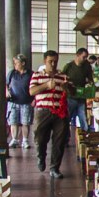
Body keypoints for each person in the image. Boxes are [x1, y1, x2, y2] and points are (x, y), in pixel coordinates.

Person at [29, 50, 71, 179]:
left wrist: (66, 87)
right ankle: (41, 156)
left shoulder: (62, 76)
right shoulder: (37, 75)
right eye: (50, 61)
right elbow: (32, 91)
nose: (53, 64)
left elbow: (71, 92)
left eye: (55, 61)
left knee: (59, 141)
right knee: (40, 138)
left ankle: (54, 168)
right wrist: (46, 85)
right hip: (43, 111)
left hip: (60, 112)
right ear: (44, 61)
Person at [62, 47, 94, 133]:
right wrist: (67, 83)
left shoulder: (87, 66)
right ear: (77, 55)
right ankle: (65, 137)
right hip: (70, 96)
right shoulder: (69, 66)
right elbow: (62, 78)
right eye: (84, 57)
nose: (85, 59)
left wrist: (90, 83)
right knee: (67, 117)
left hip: (82, 95)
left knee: (83, 116)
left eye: (86, 57)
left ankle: (85, 135)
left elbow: (90, 79)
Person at [5, 54, 33, 148]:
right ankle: (15, 139)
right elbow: (6, 84)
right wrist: (7, 91)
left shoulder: (30, 74)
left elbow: (35, 86)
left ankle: (25, 140)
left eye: (17, 63)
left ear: (23, 63)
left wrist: (34, 100)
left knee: (25, 122)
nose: (15, 65)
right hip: (13, 102)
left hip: (26, 102)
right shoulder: (12, 73)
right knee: (13, 121)